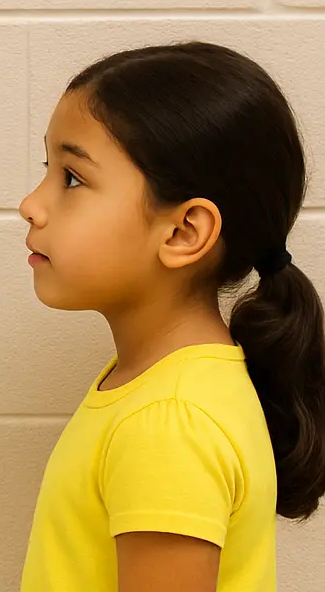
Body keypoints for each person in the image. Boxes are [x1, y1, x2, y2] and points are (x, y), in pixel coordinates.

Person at [18, 42, 325, 592]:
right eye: (48, 169)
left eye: (71, 179)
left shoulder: (168, 423)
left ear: (184, 233)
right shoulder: (158, 393)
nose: (31, 204)